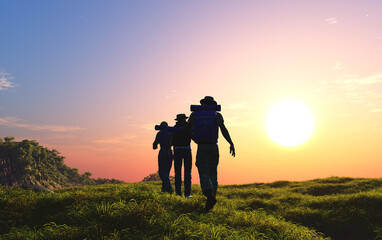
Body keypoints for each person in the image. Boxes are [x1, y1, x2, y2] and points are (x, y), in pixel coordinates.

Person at [189, 96, 235, 211]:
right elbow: (223, 129)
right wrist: (231, 143)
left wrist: (195, 138)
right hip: (214, 146)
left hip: (202, 146)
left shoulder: (195, 115)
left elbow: (188, 129)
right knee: (213, 173)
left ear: (202, 104)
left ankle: (209, 196)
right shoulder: (217, 115)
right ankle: (212, 199)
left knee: (203, 171)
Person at [172, 114, 192, 197]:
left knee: (178, 173)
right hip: (186, 149)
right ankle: (186, 194)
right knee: (187, 173)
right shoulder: (188, 126)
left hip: (178, 150)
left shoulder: (175, 127)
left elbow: (173, 141)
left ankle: (178, 193)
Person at [153, 121, 174, 193]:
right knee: (167, 172)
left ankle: (169, 188)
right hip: (170, 152)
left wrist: (155, 145)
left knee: (162, 172)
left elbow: (154, 145)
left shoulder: (159, 133)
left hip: (163, 151)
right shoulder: (171, 133)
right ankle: (164, 190)